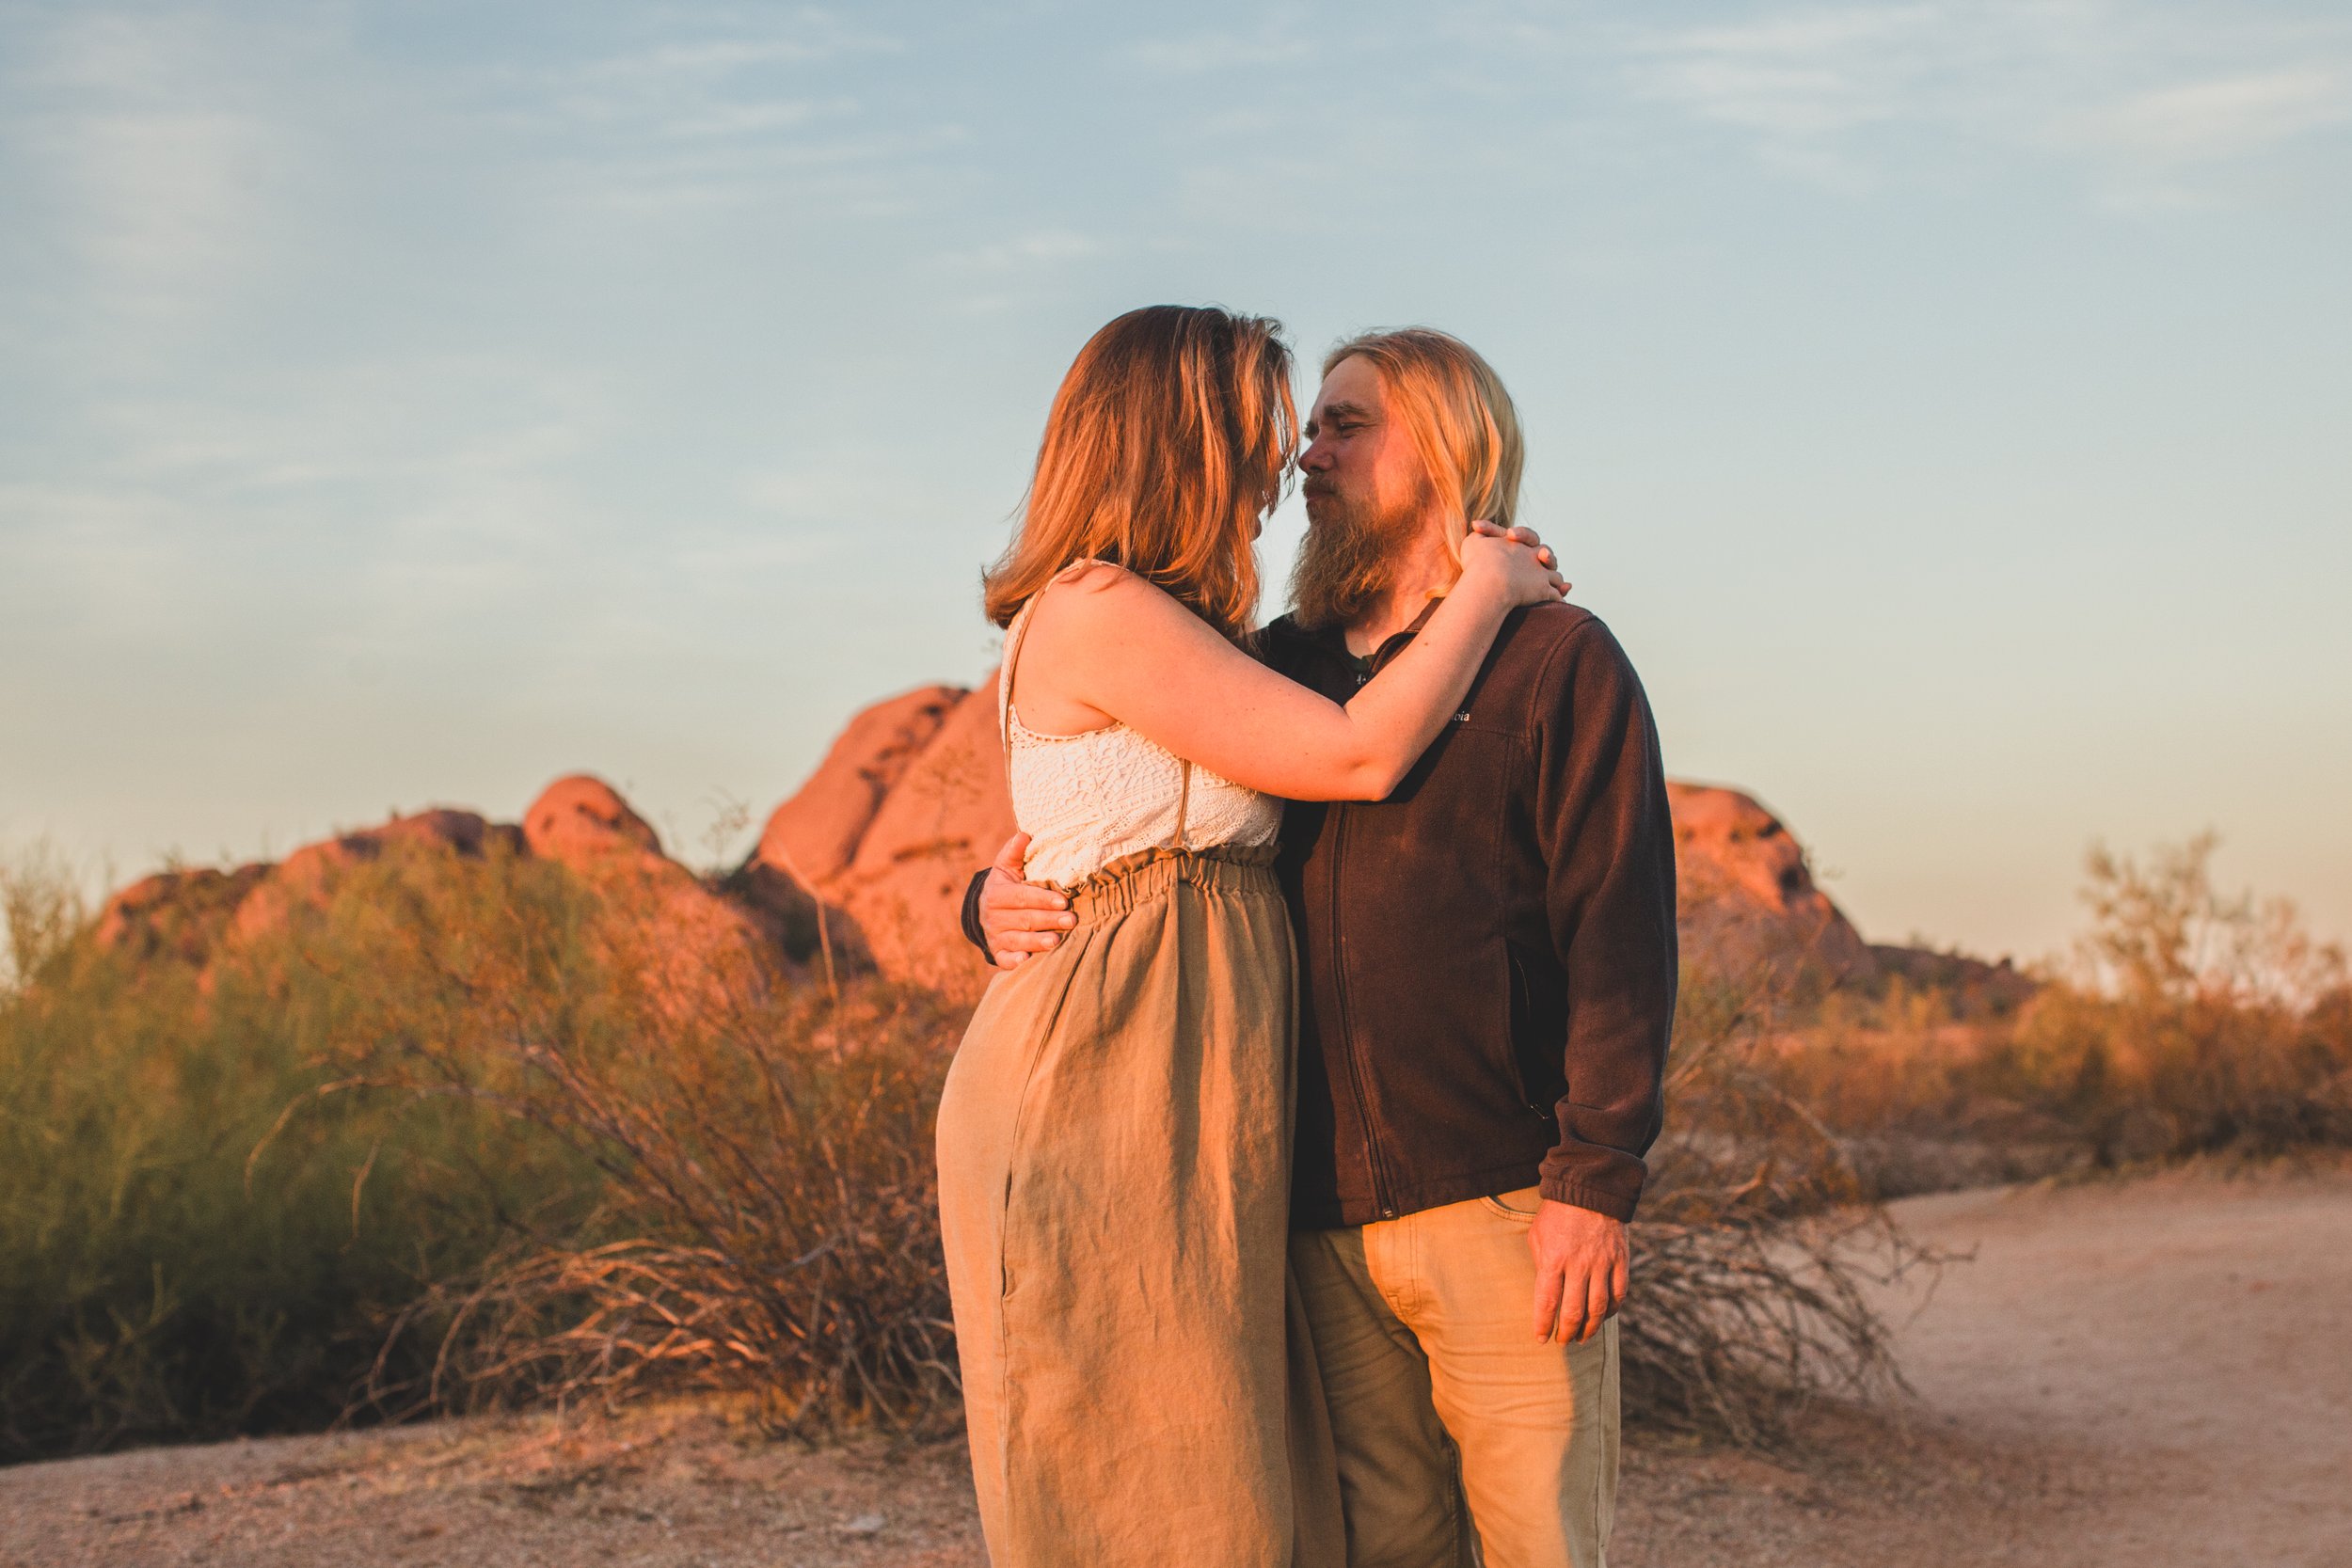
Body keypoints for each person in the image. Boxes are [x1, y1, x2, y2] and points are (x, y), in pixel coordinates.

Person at [969, 327, 1677, 1568]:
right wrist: (980, 897)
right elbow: (1119, 808)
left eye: (1346, 424)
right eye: (1303, 424)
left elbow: (1619, 936)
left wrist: (1596, 1178)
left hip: (1503, 1198)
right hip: (1302, 1209)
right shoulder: (1272, 662)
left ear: (1448, 448)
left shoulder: (1557, 660)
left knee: (1540, 1546)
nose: (1302, 453)